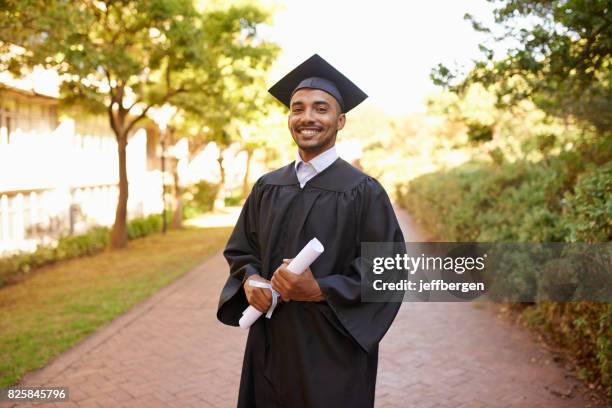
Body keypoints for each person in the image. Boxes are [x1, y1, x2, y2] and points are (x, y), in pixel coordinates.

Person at [217, 54, 405, 408]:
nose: (307, 118)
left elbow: (388, 271)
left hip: (332, 352)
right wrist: (252, 280)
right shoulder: (268, 186)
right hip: (269, 346)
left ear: (340, 120)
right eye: (297, 108)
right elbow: (242, 251)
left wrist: (319, 289)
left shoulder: (364, 191)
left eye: (321, 108)